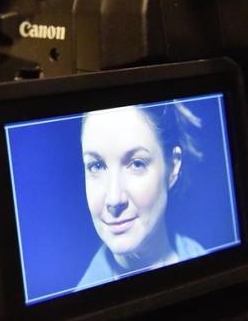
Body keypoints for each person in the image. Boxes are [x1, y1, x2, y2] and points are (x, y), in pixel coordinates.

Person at [77, 101, 206, 289]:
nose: (114, 199)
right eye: (96, 166)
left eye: (137, 164)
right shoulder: (77, 312)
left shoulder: (218, 268)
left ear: (173, 166)